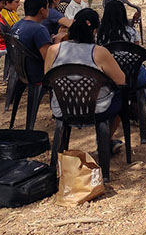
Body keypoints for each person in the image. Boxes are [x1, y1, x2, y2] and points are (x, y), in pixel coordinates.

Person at [45, 10, 126, 143]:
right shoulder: (99, 52)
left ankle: (59, 151)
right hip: (97, 109)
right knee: (120, 96)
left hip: (62, 108)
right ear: (95, 31)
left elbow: (47, 79)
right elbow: (121, 81)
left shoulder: (53, 50)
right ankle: (107, 141)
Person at [12, 0, 54, 85]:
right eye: (47, 7)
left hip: (19, 71)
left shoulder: (17, 25)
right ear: (42, 10)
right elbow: (48, 59)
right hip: (36, 74)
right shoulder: (39, 29)